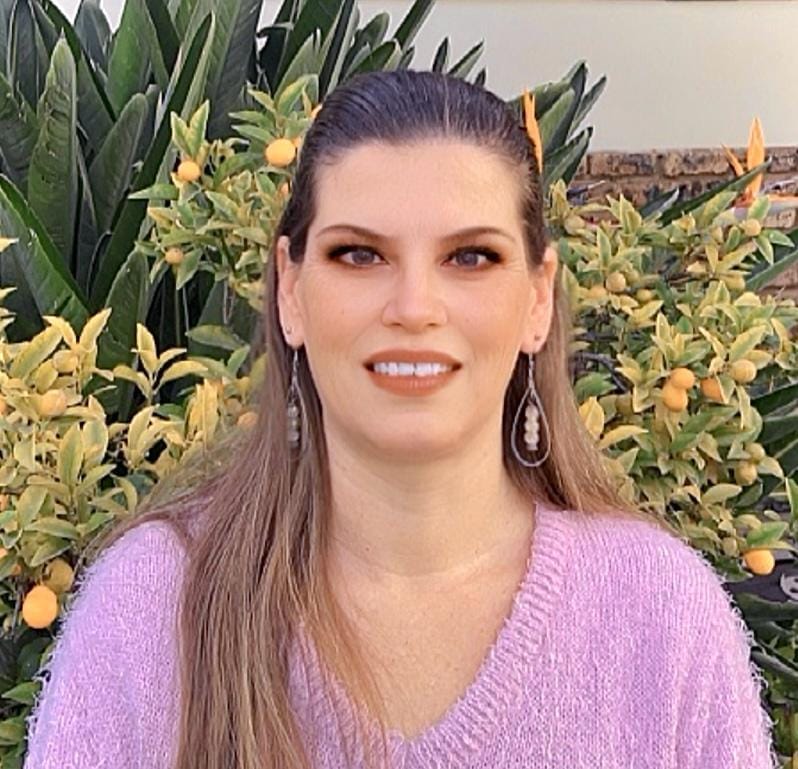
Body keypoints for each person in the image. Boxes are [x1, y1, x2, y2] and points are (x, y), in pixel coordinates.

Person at [22, 68, 777, 769]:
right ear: (290, 290)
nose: (415, 307)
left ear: (538, 298)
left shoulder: (660, 617)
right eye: (359, 255)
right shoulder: (153, 610)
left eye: (471, 257)